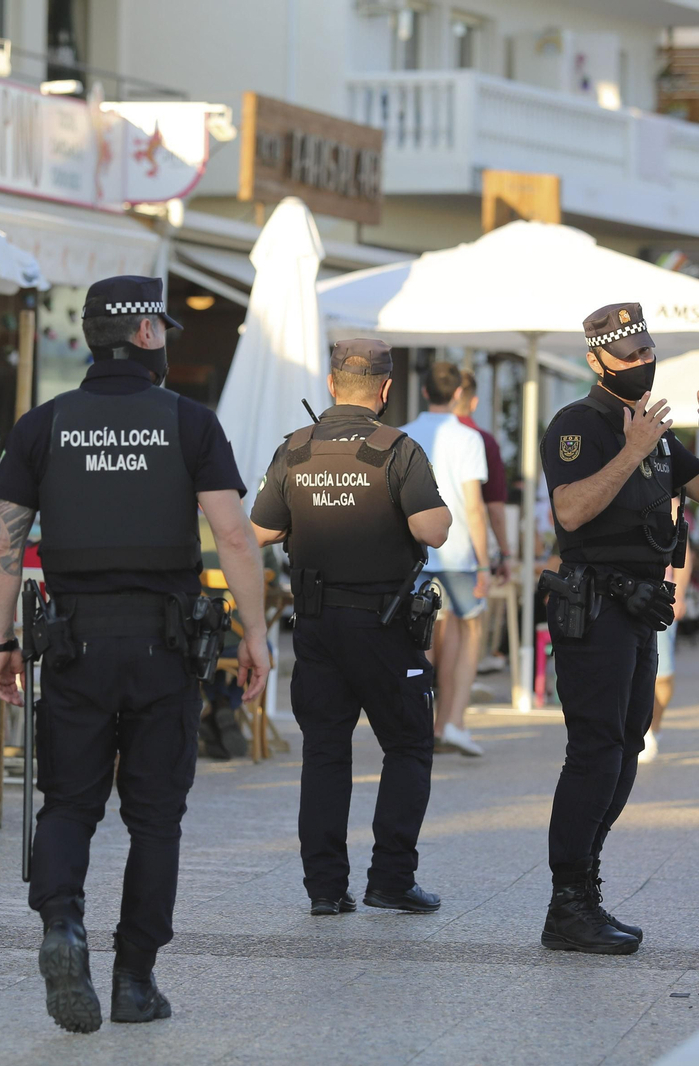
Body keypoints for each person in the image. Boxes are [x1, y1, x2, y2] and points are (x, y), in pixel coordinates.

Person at [0, 275, 270, 1033]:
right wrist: (256, 633)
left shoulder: (42, 424)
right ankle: (135, 980)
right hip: (162, 644)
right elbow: (234, 535)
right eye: (165, 329)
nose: (169, 340)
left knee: (69, 804)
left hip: (73, 639)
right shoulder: (187, 421)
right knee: (155, 818)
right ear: (144, 332)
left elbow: (3, 541)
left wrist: (2, 640)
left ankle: (62, 928)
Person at [539, 302, 699, 954]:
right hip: (593, 610)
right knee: (594, 754)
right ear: (596, 361)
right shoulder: (580, 425)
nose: (642, 365)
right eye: (628, 358)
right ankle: (568, 904)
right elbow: (570, 511)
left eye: (647, 353)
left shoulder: (652, 429)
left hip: (639, 612)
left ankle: (585, 889)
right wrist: (631, 451)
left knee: (626, 749)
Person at [250, 339, 453, 918]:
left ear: (334, 384)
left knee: (326, 753)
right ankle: (390, 878)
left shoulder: (295, 448)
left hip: (314, 623)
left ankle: (324, 889)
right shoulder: (398, 449)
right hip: (383, 625)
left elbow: (259, 532)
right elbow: (434, 530)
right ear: (385, 391)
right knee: (409, 745)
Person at [401, 363, 490, 757]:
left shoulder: (402, 435)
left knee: (423, 640)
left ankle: (418, 724)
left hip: (415, 553)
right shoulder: (468, 437)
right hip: (457, 554)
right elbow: (474, 507)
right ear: (458, 394)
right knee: (468, 631)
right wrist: (486, 562)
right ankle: (453, 721)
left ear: (423, 392)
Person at [454, 369, 511, 581]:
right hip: (468, 551)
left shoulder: (421, 437)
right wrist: (505, 554)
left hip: (425, 550)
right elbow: (494, 508)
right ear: (474, 402)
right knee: (470, 614)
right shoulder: (483, 441)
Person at [642, 548, 692, 764]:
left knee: (662, 675)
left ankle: (654, 728)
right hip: (620, 592)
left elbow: (685, 552)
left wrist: (679, 594)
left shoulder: (672, 512)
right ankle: (637, 729)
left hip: (661, 594)